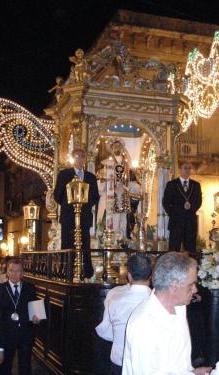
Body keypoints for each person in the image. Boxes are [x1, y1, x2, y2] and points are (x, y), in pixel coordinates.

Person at [122, 252, 212, 375]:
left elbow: (173, 365)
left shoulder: (179, 306)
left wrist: (193, 372)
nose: (195, 290)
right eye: (191, 285)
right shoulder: (144, 325)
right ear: (174, 286)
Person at [96, 253, 152, 375]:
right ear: (151, 275)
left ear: (129, 275)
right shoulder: (157, 301)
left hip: (119, 361)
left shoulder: (114, 296)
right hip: (148, 365)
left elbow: (106, 333)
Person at [54, 148, 100, 278]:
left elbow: (95, 196)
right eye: (77, 157)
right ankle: (65, 272)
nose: (80, 160)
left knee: (85, 243)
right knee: (67, 244)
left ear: (85, 159)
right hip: (68, 216)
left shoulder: (90, 177)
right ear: (73, 159)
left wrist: (84, 205)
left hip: (84, 216)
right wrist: (71, 203)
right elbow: (57, 195)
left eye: (82, 157)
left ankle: (86, 272)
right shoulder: (64, 175)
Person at [0, 259, 40, 375]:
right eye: (11, 270)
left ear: (22, 273)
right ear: (6, 272)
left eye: (17, 271)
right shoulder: (0, 289)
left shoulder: (30, 287)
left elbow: (35, 306)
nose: (14, 274)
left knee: (25, 365)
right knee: (5, 365)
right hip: (7, 333)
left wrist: (37, 318)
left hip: (25, 332)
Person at [163, 161, 202, 252]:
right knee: (174, 248)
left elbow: (199, 201)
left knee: (190, 249)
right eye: (185, 168)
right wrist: (174, 214)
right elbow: (165, 202)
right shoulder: (172, 184)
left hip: (190, 222)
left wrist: (190, 209)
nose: (187, 170)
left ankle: (190, 266)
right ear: (180, 170)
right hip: (176, 221)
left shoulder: (196, 185)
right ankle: (173, 266)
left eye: (189, 168)